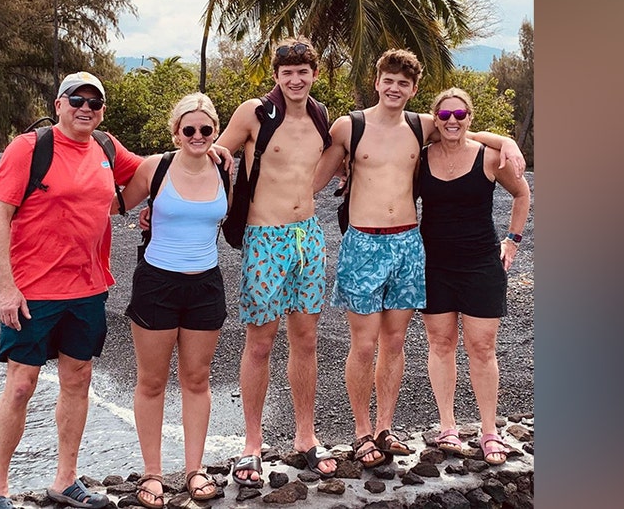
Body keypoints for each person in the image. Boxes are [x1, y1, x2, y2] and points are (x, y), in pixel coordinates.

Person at [0, 72, 231, 509]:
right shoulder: (29, 148)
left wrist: (208, 145)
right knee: (21, 385)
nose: (86, 108)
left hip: (88, 287)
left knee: (78, 380)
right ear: (59, 103)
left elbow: (157, 169)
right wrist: (5, 287)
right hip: (32, 288)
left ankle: (65, 481)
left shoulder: (105, 147)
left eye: (95, 101)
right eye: (76, 99)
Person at [310, 50, 524, 470]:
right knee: (364, 343)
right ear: (377, 81)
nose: (394, 88)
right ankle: (361, 433)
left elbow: (468, 133)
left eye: (403, 84)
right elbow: (312, 180)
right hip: (363, 243)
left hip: (408, 243)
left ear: (413, 90)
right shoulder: (349, 126)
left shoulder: (420, 125)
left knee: (394, 342)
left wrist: (510, 141)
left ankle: (385, 429)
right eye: (388, 80)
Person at [212, 37, 339, 486]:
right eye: (287, 72)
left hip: (308, 236)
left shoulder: (322, 117)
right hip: (264, 239)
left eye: (303, 71)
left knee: (305, 341)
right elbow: (215, 155)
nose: (295, 79)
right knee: (260, 344)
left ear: (314, 74)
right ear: (276, 76)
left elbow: (339, 163)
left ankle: (306, 437)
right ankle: (252, 443)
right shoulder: (255, 113)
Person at [116, 94, 229, 507]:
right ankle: (152, 473)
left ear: (215, 132)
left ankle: (195, 469)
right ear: (175, 132)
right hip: (156, 284)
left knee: (197, 380)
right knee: (152, 381)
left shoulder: (224, 168)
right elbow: (114, 203)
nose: (198, 136)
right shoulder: (156, 167)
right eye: (189, 129)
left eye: (206, 129)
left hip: (206, 287)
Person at [418, 87, 531, 466]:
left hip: (482, 265)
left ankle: (488, 430)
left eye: (460, 115)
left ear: (470, 116)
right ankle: (448, 425)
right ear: (436, 118)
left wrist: (513, 241)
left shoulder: (490, 157)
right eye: (445, 115)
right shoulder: (420, 159)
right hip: (434, 264)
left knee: (482, 348)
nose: (453, 121)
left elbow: (522, 193)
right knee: (440, 343)